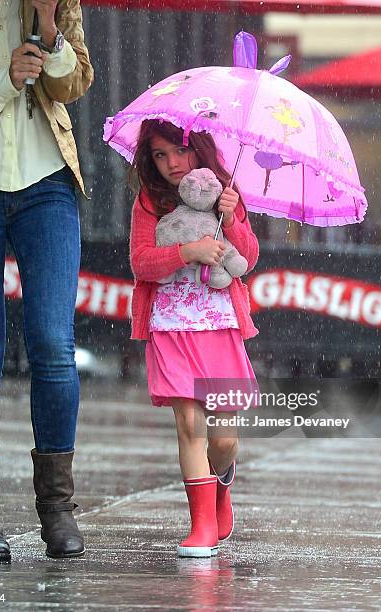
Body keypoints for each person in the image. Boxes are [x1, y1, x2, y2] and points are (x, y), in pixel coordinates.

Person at [0, 0, 93, 561]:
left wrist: (50, 28)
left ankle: (57, 511)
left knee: (53, 344)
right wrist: (3, 80)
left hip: (47, 180)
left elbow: (76, 81)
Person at [129, 119, 259, 557]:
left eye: (178, 152)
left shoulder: (224, 194)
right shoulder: (150, 201)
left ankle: (221, 487)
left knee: (223, 439)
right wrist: (188, 252)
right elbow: (141, 262)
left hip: (219, 326)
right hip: (171, 326)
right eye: (160, 155)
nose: (170, 164)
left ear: (197, 150)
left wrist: (230, 218)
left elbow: (249, 257)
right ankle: (201, 523)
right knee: (190, 425)